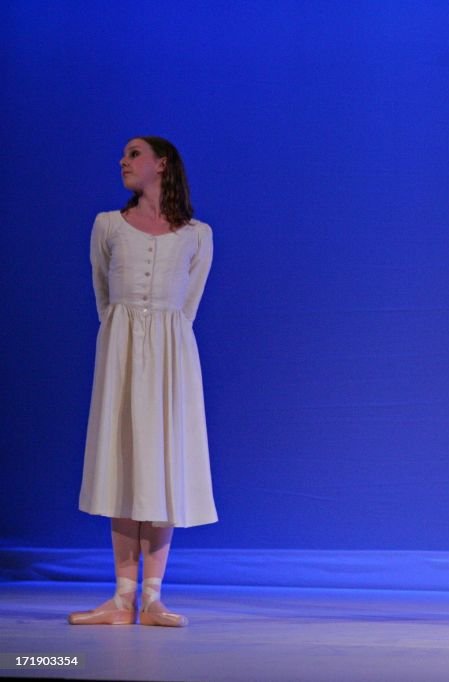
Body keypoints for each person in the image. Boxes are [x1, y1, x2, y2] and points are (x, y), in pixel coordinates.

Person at [70, 137, 216, 627]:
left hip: (172, 358)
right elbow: (103, 295)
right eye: (124, 155)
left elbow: (187, 306)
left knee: (163, 463)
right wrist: (126, 339)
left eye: (134, 154)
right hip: (122, 354)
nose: (123, 161)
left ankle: (153, 598)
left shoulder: (197, 235)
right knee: (125, 459)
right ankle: (120, 598)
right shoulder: (108, 226)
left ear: (162, 163)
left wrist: (161, 338)